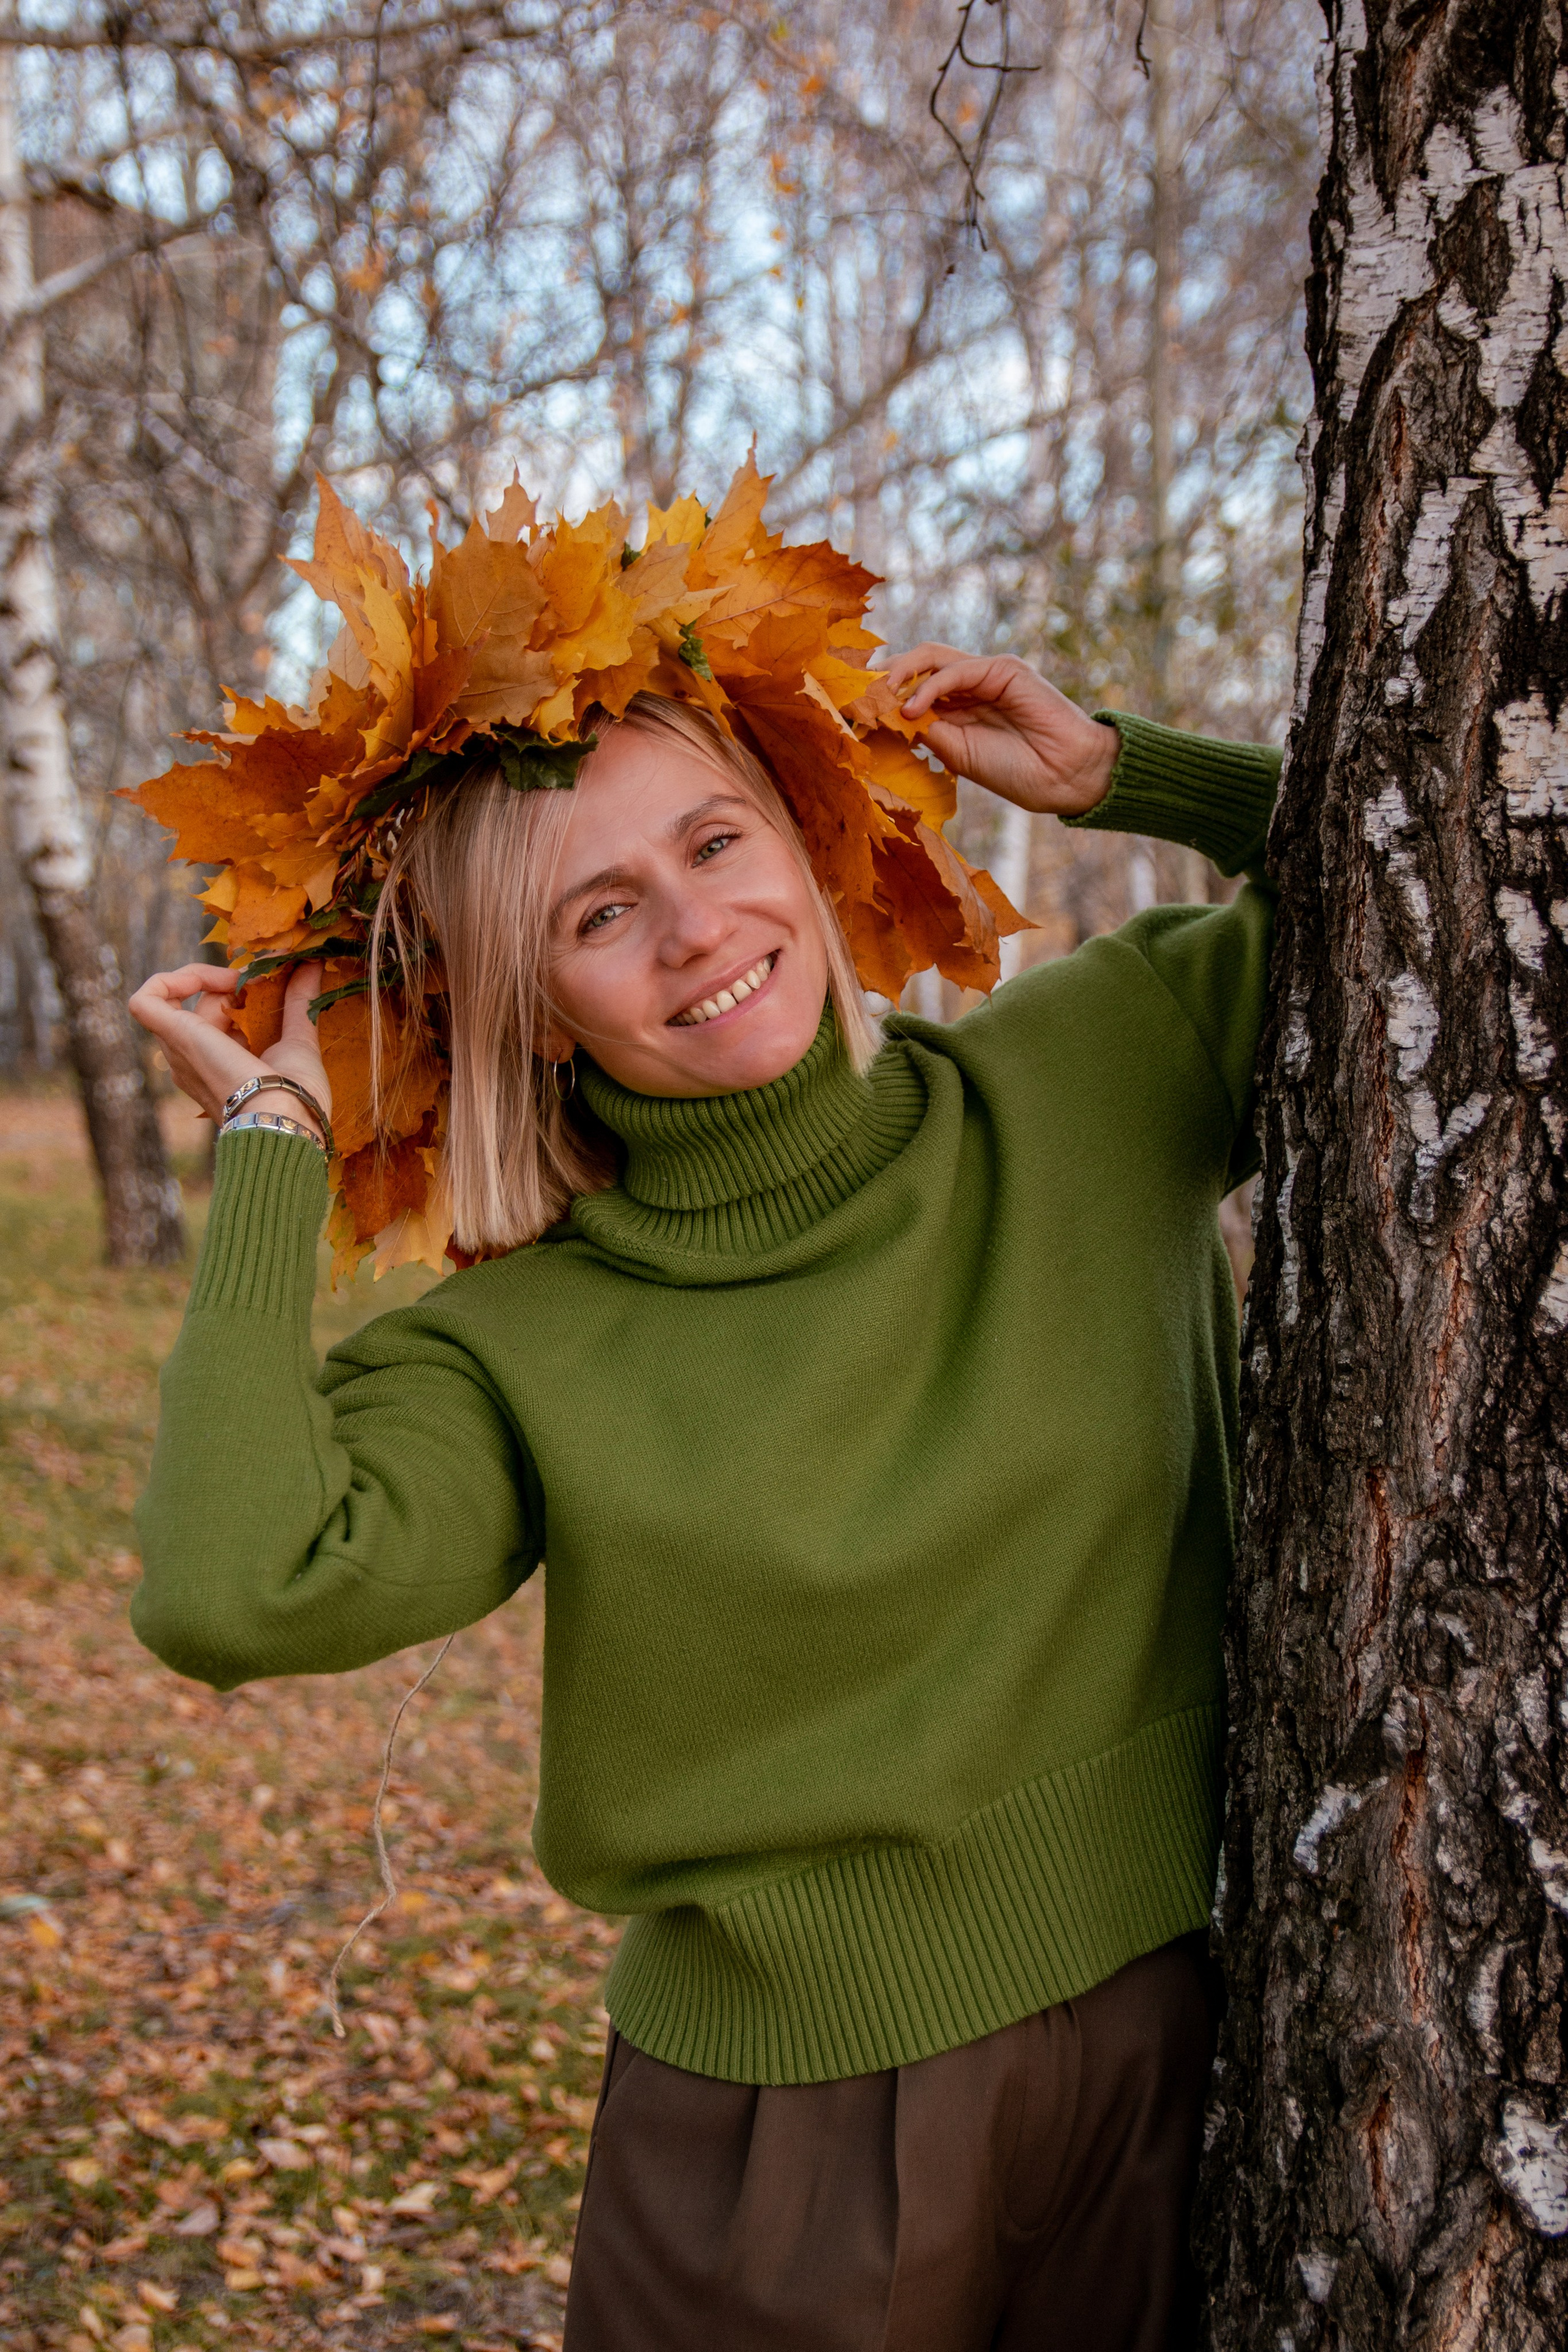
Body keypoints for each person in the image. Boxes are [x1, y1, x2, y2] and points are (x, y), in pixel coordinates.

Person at [128, 646, 1280, 2351]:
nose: (693, 929)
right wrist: (273, 1143)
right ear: (518, 1005)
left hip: (1193, 2059)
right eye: (597, 915)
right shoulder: (518, 1348)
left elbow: (1461, 882)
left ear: (808, 849)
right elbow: (232, 1587)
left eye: (718, 844)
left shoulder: (1104, 1072)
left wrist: (1132, 775)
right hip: (777, 2148)